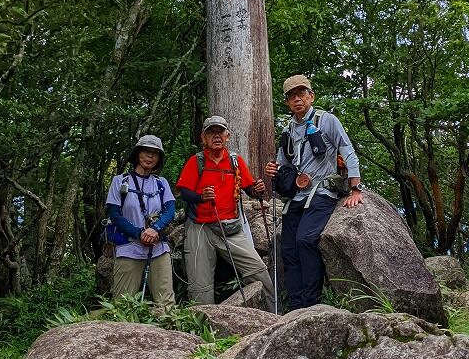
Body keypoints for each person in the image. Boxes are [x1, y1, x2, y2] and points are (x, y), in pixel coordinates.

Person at [265, 74, 363, 310]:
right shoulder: (288, 129)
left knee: (306, 240)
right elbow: (283, 164)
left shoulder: (326, 120)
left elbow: (347, 150)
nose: (297, 99)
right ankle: (295, 306)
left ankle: (310, 304)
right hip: (296, 197)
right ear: (287, 102)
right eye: (292, 96)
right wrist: (274, 170)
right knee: (288, 248)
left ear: (311, 96)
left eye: (301, 93)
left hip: (322, 192)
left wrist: (355, 188)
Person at [177, 116, 275, 311]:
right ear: (203, 138)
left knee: (258, 271)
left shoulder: (235, 161)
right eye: (211, 132)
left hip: (230, 226)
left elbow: (249, 188)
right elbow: (184, 193)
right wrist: (201, 197)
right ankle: (201, 325)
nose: (216, 136)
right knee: (200, 287)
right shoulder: (196, 161)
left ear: (227, 136)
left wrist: (257, 189)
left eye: (220, 132)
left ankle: (273, 316)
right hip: (200, 227)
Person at [105, 134, 176, 305]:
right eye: (146, 151)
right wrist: (139, 234)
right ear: (137, 154)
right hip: (129, 247)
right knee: (123, 304)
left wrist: (155, 229)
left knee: (166, 304)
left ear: (159, 158)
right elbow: (115, 214)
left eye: (155, 153)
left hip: (158, 248)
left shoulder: (161, 183)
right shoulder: (120, 181)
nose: (150, 156)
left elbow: (170, 210)